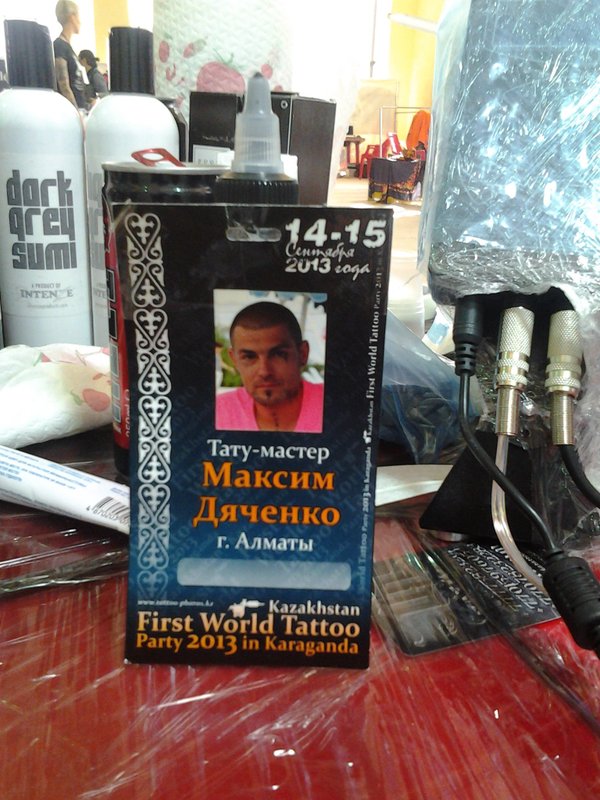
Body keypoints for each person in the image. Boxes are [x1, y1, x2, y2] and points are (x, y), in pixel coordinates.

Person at [216, 301, 324, 433]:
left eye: (278, 354)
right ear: (235, 360)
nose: (264, 372)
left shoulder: (336, 406)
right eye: (249, 357)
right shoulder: (218, 411)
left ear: (303, 354)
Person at [53, 1, 87, 110]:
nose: (80, 22)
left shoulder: (67, 47)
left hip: (79, 108)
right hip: (72, 111)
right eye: (78, 17)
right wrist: (76, 112)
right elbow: (64, 85)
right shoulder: (60, 45)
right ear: (72, 17)